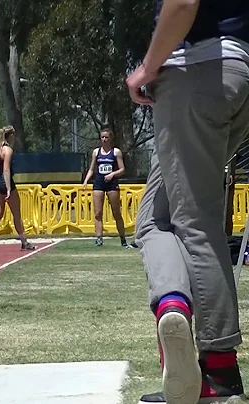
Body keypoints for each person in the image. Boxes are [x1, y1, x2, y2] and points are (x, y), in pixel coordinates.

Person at [125, 1, 249, 403]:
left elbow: (182, 3)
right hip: (235, 70)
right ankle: (173, 304)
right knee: (153, 218)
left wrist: (147, 67)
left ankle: (218, 369)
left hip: (194, 70)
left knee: (195, 222)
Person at [0, 126, 35, 253]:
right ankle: (24, 242)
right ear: (10, 136)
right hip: (4, 182)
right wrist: (9, 188)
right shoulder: (7, 150)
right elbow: (6, 170)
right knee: (16, 213)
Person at [81, 129, 131, 248]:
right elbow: (92, 169)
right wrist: (86, 181)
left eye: (106, 137)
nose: (104, 139)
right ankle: (99, 239)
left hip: (112, 184)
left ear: (110, 138)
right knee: (98, 213)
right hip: (98, 183)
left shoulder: (116, 152)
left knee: (116, 212)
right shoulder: (96, 152)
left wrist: (113, 174)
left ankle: (123, 239)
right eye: (102, 137)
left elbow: (122, 169)